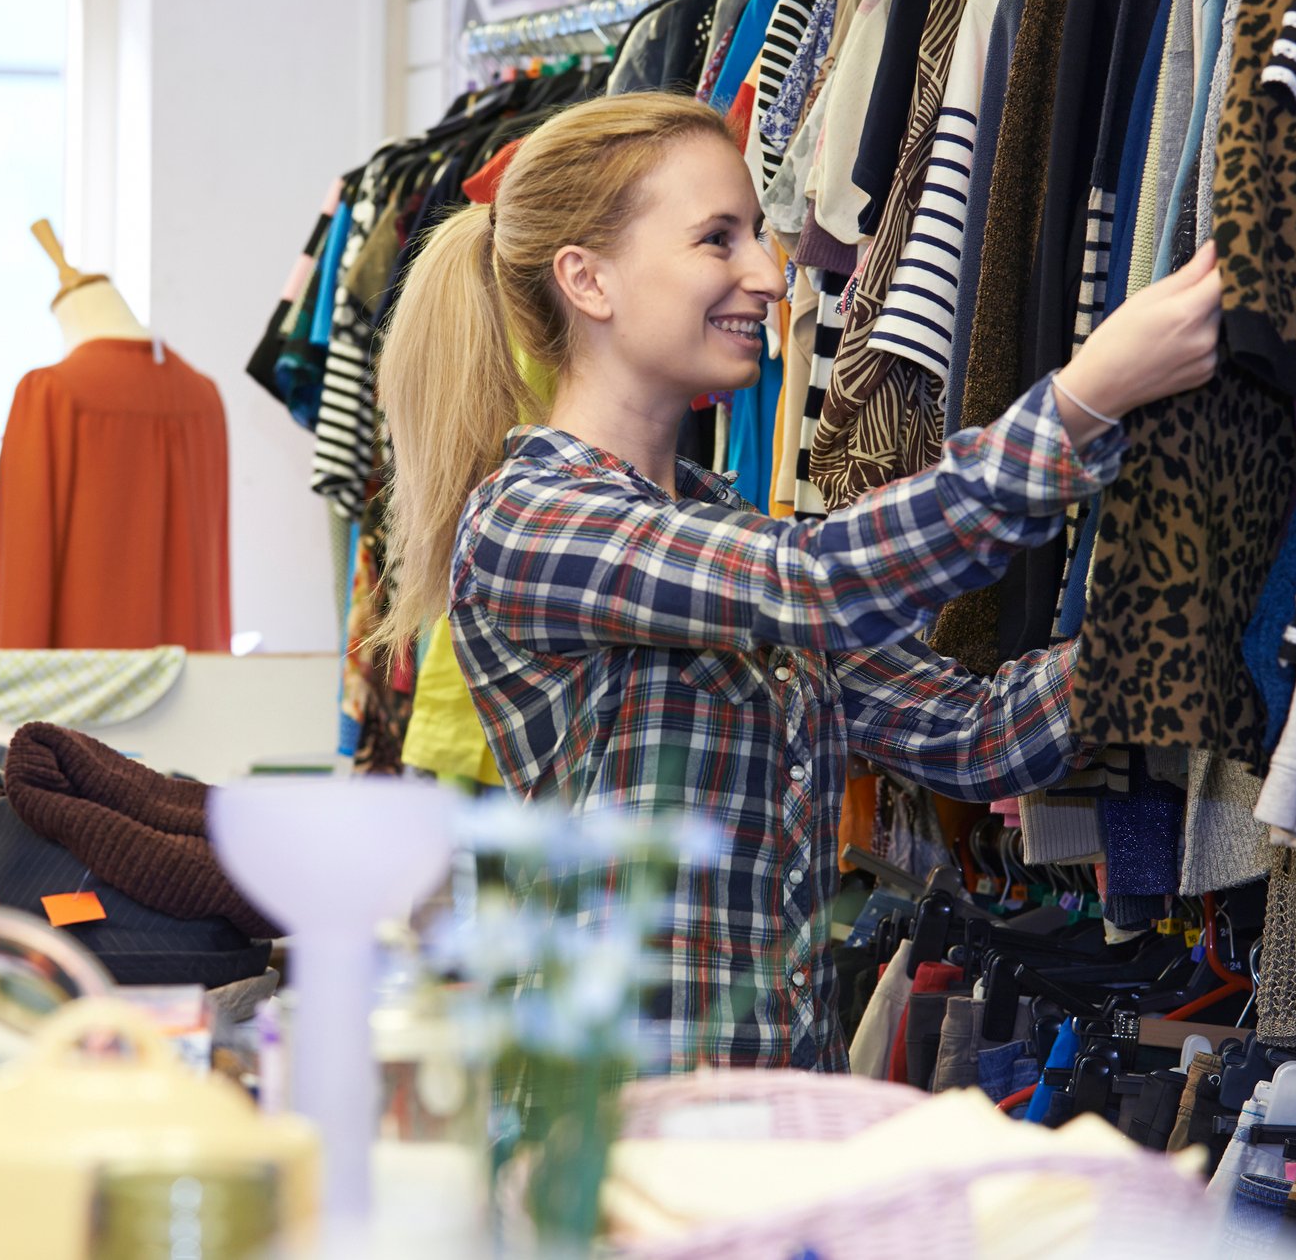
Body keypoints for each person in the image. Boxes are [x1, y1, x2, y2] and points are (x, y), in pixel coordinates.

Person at [373, 92, 1222, 1073]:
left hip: (768, 1127)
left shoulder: (719, 533)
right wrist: (1080, 401)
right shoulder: (529, 520)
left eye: (757, 237)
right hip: (616, 1142)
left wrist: (1194, 589)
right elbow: (819, 583)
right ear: (587, 279)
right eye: (716, 239)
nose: (770, 275)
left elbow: (978, 735)